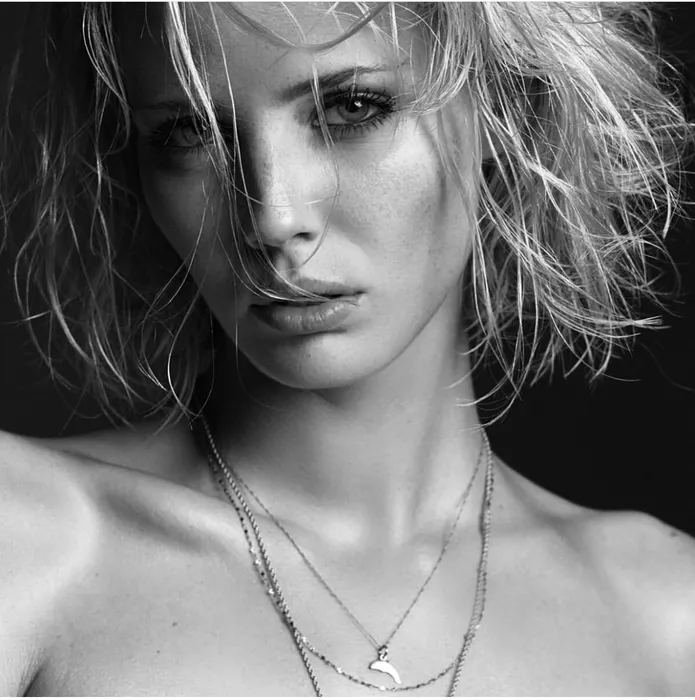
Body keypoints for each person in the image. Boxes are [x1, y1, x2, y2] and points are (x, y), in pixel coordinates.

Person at [1, 2, 694, 696]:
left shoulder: (664, 617)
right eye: (188, 131)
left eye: (350, 108)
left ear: (505, 107)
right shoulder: (27, 540)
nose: (274, 216)